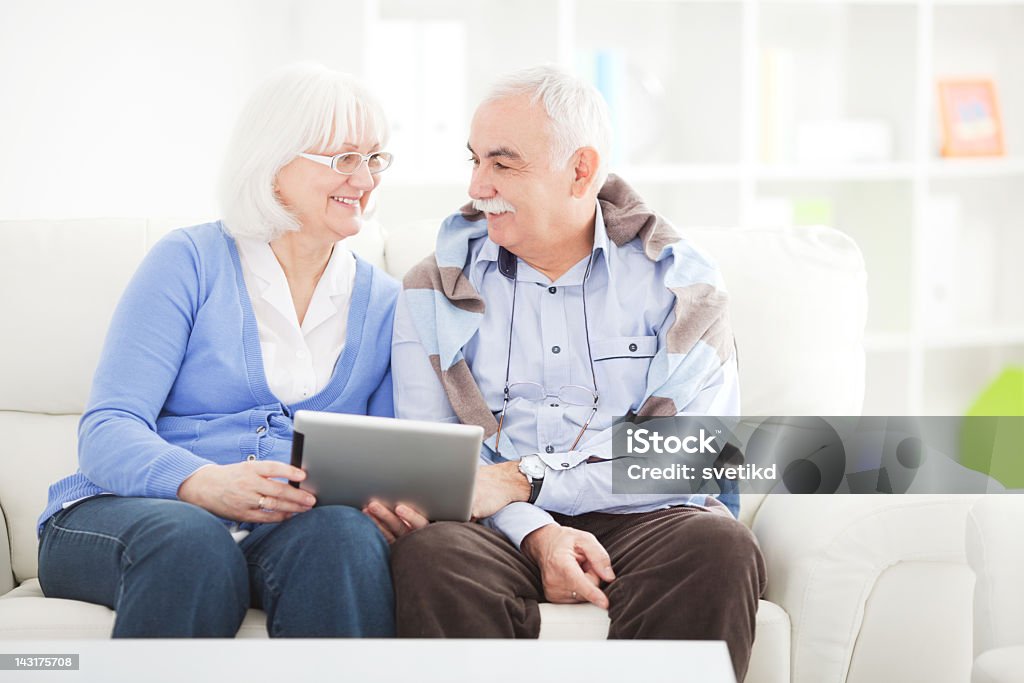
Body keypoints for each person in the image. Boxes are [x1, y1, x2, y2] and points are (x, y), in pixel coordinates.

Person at [369, 65, 766, 679]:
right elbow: (437, 463)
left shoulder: (682, 282)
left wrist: (529, 479)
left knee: (720, 548)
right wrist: (536, 531)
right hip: (494, 525)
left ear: (581, 170)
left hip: (642, 514)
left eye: (503, 165)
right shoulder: (433, 287)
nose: (477, 186)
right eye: (474, 160)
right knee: (431, 553)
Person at [36, 63, 399, 638]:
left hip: (280, 528)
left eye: (375, 158)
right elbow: (108, 427)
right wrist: (199, 482)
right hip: (130, 513)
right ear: (273, 163)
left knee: (345, 538)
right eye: (343, 159)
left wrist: (385, 506)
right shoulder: (189, 261)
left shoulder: (385, 301)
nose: (365, 177)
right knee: (192, 541)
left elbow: (388, 457)